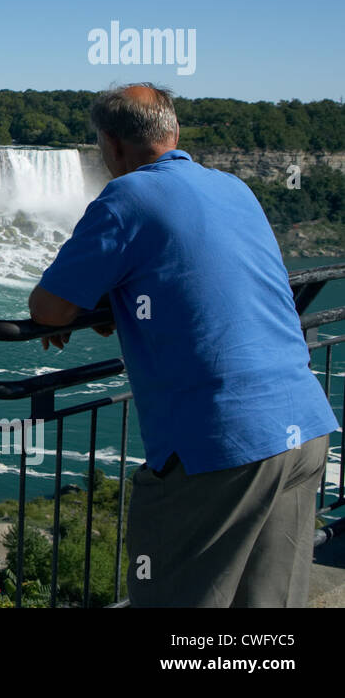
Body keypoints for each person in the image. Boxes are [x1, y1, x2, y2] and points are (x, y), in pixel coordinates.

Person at [28, 83, 338, 607]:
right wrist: (122, 296)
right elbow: (197, 271)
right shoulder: (233, 187)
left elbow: (49, 309)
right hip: (303, 429)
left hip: (220, 445)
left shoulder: (127, 197)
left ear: (112, 144)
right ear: (173, 132)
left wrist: (93, 303)